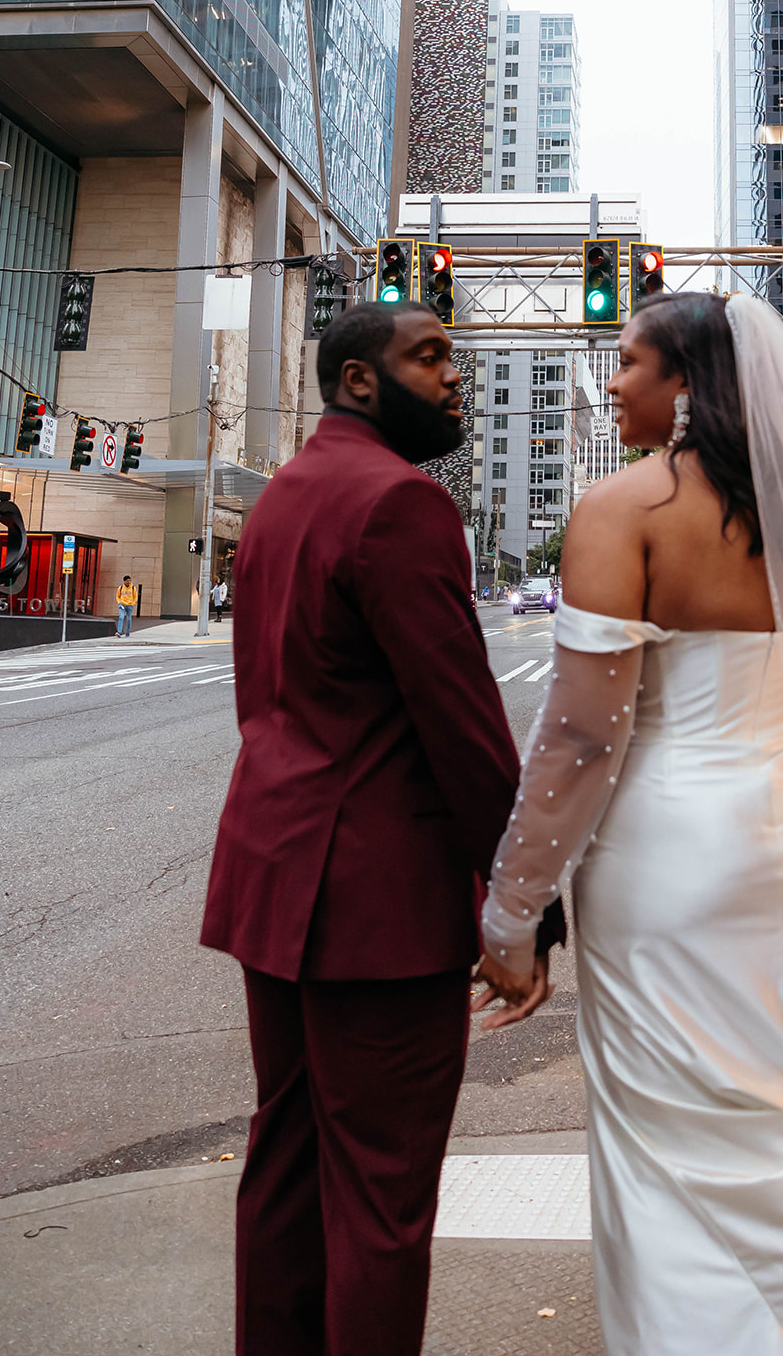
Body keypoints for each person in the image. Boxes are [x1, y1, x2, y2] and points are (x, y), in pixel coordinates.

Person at [476, 293, 783, 1355]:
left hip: (669, 856)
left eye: (629, 363)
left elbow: (582, 741)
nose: (613, 384)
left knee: (669, 1142)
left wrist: (514, 912)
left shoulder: (624, 510)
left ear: (684, 380)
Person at [200, 302, 563, 1356]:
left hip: (275, 883)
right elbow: (463, 730)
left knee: (287, 1163)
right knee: (383, 1201)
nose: (456, 377)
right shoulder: (400, 504)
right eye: (432, 357)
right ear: (360, 380)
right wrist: (522, 908)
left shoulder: (284, 499)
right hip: (375, 907)